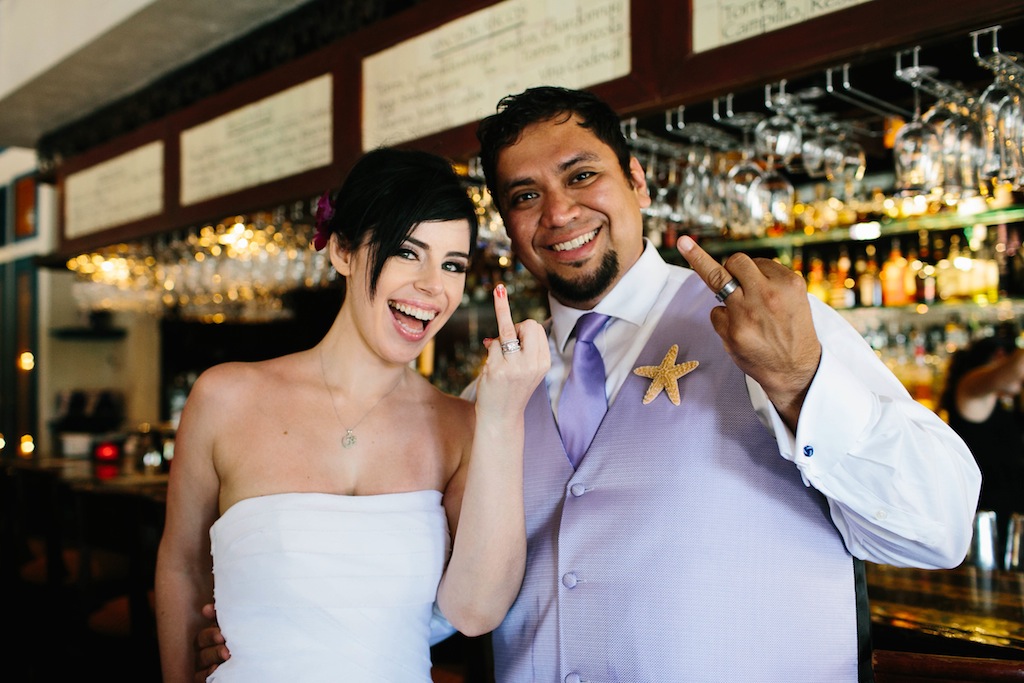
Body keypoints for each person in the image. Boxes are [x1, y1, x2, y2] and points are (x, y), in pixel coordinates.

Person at [194, 87, 981, 682]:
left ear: (637, 180)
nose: (559, 210)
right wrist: (272, 621)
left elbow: (938, 528)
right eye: (526, 196)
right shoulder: (490, 399)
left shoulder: (764, 330)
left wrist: (801, 379)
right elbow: (438, 603)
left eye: (582, 175)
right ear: (509, 229)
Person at [155, 147, 549, 683]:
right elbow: (182, 565)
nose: (434, 285)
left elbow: (476, 612)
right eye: (408, 252)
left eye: (452, 264)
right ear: (342, 249)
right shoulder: (225, 398)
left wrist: (504, 418)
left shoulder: (464, 426)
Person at [939, 326, 1024, 546]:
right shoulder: (970, 390)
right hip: (987, 525)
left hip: (1010, 522)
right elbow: (1014, 372)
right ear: (1000, 356)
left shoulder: (1003, 404)